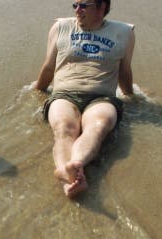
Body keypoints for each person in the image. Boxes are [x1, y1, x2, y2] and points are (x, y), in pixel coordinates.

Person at [33, 0, 135, 198]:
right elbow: (48, 67)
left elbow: (125, 71)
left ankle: (74, 165)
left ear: (101, 7)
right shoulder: (61, 27)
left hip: (102, 97)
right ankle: (69, 178)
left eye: (83, 5)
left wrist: (131, 96)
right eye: (75, 5)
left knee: (100, 124)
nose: (77, 10)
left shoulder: (124, 32)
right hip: (64, 94)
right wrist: (38, 91)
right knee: (64, 127)